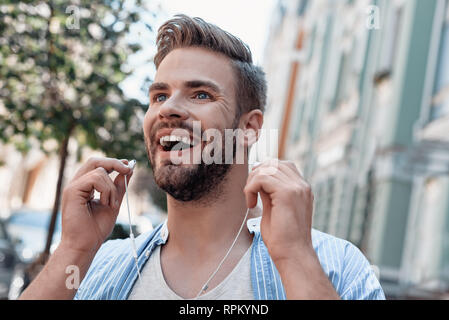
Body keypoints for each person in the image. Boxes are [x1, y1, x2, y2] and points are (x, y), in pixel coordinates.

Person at [19, 15, 385, 300]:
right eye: (159, 96)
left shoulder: (336, 266)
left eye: (200, 95)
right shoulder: (97, 267)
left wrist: (296, 259)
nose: (169, 110)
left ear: (249, 128)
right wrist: (74, 248)